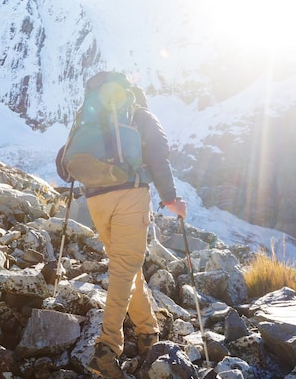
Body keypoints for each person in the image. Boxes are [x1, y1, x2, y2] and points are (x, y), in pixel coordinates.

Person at [56, 71, 186, 379]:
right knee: (124, 267)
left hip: (96, 200)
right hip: (130, 196)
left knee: (126, 265)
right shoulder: (139, 114)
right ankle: (107, 348)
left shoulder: (88, 118)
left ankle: (147, 331)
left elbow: (64, 163)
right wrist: (171, 198)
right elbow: (158, 153)